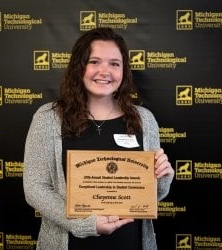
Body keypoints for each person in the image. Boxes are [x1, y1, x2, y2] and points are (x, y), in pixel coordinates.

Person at [23, 27, 174, 250]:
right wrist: (83, 224)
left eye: (114, 64)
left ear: (124, 71)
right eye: (94, 62)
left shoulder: (145, 120)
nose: (104, 71)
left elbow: (150, 197)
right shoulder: (48, 118)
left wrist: (162, 177)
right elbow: (35, 188)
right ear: (79, 67)